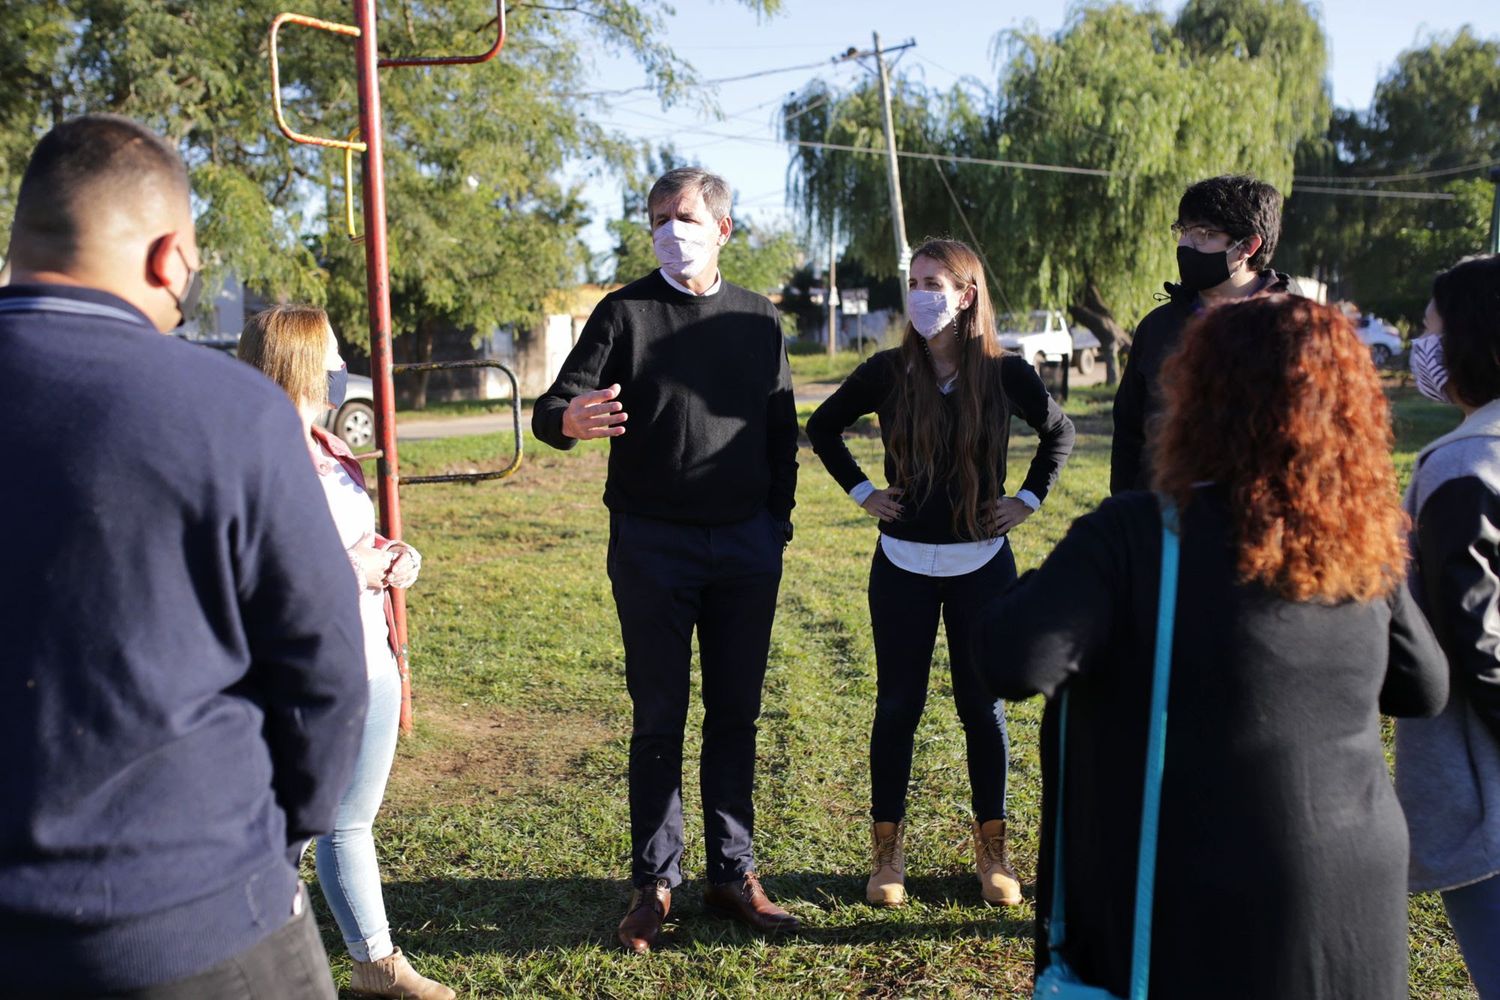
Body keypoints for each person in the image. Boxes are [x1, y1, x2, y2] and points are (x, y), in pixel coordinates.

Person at [976, 295, 1449, 999]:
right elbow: (1424, 685)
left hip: (1201, 891)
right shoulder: (1360, 540)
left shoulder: (1134, 535)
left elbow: (1009, 660)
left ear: (1197, 400)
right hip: (1356, 886)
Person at [0, 115, 368, 998]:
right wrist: (269, 846)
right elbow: (324, 675)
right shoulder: (232, 411)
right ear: (171, 257)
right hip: (197, 924)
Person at [532, 167, 800, 954]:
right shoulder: (624, 312)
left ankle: (733, 872)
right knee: (658, 719)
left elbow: (782, 432)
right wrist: (568, 421)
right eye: (656, 218)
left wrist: (773, 526)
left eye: (681, 216)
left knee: (735, 716)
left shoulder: (758, 319)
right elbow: (555, 406)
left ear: (721, 228)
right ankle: (654, 883)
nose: (667, 230)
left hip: (746, 546)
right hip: (652, 546)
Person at [805, 238, 1074, 908]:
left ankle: (994, 856)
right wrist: (865, 493)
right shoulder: (885, 370)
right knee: (898, 706)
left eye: (936, 282)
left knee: (980, 708)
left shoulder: (1005, 371)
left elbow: (1059, 433)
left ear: (967, 293)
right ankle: (887, 859)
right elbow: (822, 426)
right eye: (915, 281)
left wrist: (1028, 500)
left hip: (983, 564)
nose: (922, 293)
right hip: (901, 566)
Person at [237, 306, 452, 1000]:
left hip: (368, 659)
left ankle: (376, 966)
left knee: (350, 821)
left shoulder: (331, 448)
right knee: (282, 835)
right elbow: (251, 571)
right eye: (329, 354)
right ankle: (243, 968)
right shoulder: (247, 457)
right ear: (297, 360)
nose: (340, 366)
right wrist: (348, 567)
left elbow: (355, 538)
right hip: (298, 674)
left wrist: (394, 556)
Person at [1396, 254, 1500, 999]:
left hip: (1485, 799)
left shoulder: (1462, 464)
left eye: (1430, 328)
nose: (1422, 345)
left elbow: (1475, 643)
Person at [1110, 174, 1291, 494]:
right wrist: (1127, 514)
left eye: (1203, 234)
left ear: (1248, 246)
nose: (1185, 245)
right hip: (1161, 521)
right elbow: (1129, 430)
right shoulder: (1156, 328)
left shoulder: (1292, 328)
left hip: (1258, 526)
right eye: (1183, 231)